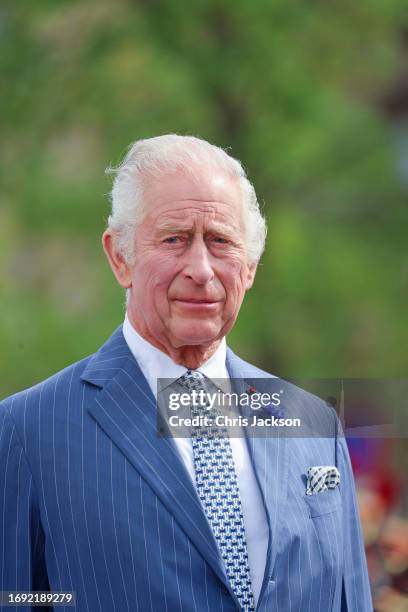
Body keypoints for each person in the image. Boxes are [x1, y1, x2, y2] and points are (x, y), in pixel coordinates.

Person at [0, 135, 372, 611]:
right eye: (175, 239)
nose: (201, 268)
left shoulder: (313, 425)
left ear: (251, 265)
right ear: (120, 257)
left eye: (220, 241)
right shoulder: (27, 432)